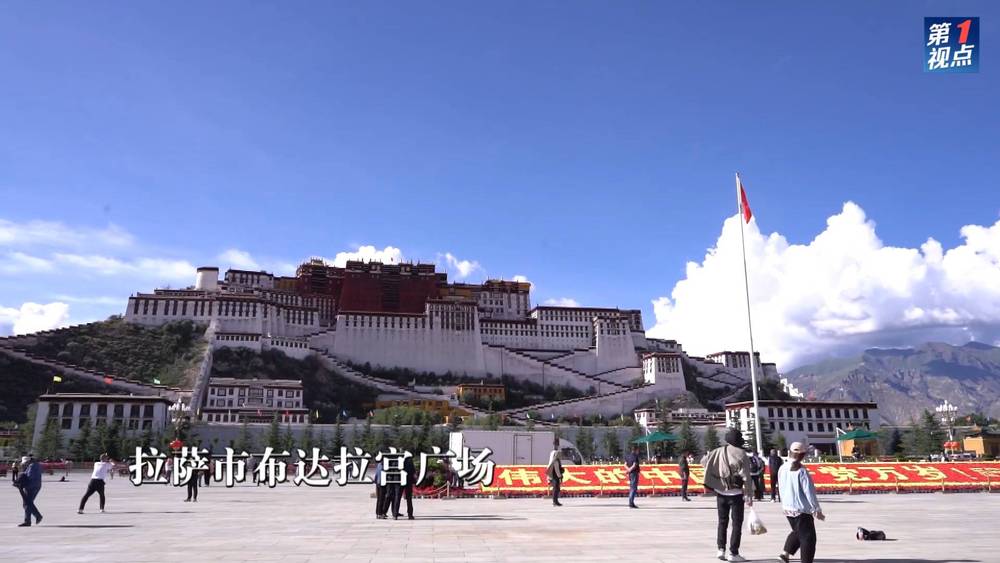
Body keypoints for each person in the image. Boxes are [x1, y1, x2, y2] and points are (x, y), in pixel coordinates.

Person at [701, 429, 753, 562]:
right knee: (737, 524)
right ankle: (733, 553)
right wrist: (749, 494)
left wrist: (718, 472)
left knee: (722, 522)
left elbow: (703, 462)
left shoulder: (717, 451)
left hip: (721, 492)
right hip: (736, 493)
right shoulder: (741, 453)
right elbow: (746, 476)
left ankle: (721, 549)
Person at [778, 442, 824, 563]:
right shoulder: (801, 470)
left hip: (788, 508)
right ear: (803, 455)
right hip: (801, 509)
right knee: (808, 538)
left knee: (798, 532)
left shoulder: (782, 468)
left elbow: (780, 487)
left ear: (790, 452)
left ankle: (784, 555)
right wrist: (816, 509)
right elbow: (809, 492)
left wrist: (784, 504)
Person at [14, 454, 43, 527]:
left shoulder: (32, 466)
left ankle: (35, 517)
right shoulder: (36, 465)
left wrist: (21, 478)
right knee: (28, 503)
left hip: (31, 486)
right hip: (36, 486)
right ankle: (31, 519)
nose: (24, 464)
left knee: (27, 503)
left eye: (25, 463)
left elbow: (30, 476)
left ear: (28, 461)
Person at [393, 455, 416, 520]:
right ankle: (410, 515)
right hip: (408, 480)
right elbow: (412, 470)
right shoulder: (409, 460)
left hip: (399, 480)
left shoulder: (396, 459)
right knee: (409, 498)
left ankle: (395, 514)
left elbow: (394, 470)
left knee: (397, 497)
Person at [546, 439, 563, 507]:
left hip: (552, 472)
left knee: (556, 487)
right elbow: (556, 466)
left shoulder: (552, 453)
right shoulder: (556, 453)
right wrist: (559, 475)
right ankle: (555, 501)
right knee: (556, 487)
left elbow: (550, 464)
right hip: (554, 473)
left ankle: (555, 501)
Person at [624, 443, 641, 508]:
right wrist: (629, 470)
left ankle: (631, 502)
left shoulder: (628, 456)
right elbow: (634, 465)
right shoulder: (635, 456)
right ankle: (631, 503)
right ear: (636, 450)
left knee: (631, 487)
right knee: (633, 488)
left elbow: (625, 464)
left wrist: (628, 470)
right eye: (638, 450)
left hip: (630, 474)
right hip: (634, 473)